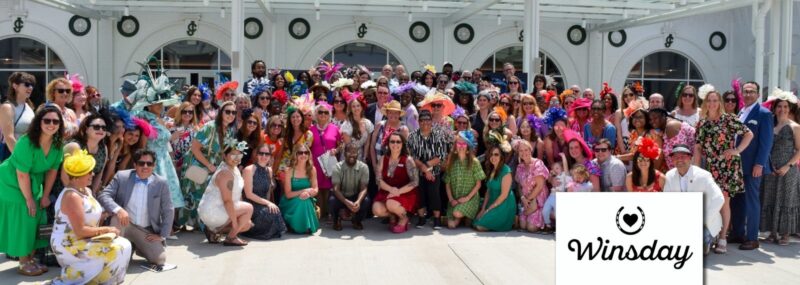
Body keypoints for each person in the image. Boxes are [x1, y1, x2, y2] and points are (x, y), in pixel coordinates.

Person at [48, 150, 132, 284]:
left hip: (83, 238)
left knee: (125, 244)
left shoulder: (86, 190)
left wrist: (107, 214)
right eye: (89, 172)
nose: (92, 174)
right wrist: (107, 229)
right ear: (76, 177)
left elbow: (89, 215)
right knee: (119, 248)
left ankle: (103, 281)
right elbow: (80, 231)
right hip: (69, 243)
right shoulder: (72, 196)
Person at [0, 105, 64, 276]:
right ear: (39, 122)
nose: (51, 124)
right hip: (11, 181)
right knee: (25, 214)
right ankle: (23, 262)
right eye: (47, 120)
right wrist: (29, 199)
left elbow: (52, 171)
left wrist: (45, 195)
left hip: (32, 181)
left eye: (56, 121)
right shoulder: (27, 142)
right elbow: (22, 174)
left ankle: (30, 258)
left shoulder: (58, 144)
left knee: (38, 216)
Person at [693, 87, 753, 253]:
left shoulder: (728, 119)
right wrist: (696, 170)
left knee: (724, 202)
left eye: (715, 100)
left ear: (719, 102)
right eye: (709, 100)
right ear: (705, 103)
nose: (712, 103)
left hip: (728, 166)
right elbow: (697, 148)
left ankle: (723, 238)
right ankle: (712, 235)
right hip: (711, 167)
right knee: (712, 201)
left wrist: (737, 150)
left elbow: (749, 134)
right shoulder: (702, 123)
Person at [98, 149, 174, 268]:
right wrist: (119, 210)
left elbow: (168, 209)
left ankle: (137, 247)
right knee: (116, 218)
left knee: (160, 259)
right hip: (125, 224)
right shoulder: (122, 176)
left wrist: (162, 235)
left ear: (154, 166)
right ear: (135, 165)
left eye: (149, 163)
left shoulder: (161, 183)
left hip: (146, 230)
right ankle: (114, 259)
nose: (145, 166)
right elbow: (104, 195)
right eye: (141, 163)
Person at [731, 81, 774, 250]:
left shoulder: (764, 113)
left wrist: (759, 164)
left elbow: (766, 142)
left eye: (752, 91)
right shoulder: (741, 111)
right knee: (738, 199)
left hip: (753, 166)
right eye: (746, 91)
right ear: (742, 93)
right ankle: (738, 233)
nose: (748, 94)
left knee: (751, 201)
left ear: (758, 94)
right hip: (737, 164)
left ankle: (752, 238)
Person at [182, 101, 238, 227]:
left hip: (214, 166)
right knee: (197, 194)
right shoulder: (210, 127)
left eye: (233, 112)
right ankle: (195, 224)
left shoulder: (229, 131)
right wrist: (208, 165)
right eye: (228, 112)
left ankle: (204, 224)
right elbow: (194, 148)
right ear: (221, 113)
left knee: (209, 194)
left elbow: (225, 151)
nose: (231, 115)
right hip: (198, 164)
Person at [663, 144, 725, 255]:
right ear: (672, 160)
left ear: (691, 158)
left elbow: (719, 198)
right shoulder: (669, 175)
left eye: (683, 156)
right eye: (676, 157)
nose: (679, 159)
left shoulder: (704, 175)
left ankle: (710, 239)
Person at [761, 94, 800, 246]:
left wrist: (787, 166)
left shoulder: (795, 127)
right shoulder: (770, 125)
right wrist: (768, 165)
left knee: (787, 200)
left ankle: (785, 234)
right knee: (770, 198)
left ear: (789, 109)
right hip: (771, 168)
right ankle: (772, 232)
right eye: (779, 106)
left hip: (788, 169)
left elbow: (799, 150)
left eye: (785, 106)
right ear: (774, 108)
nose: (782, 109)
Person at [198, 141, 253, 246]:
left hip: (220, 208)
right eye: (233, 155)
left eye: (239, 155)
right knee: (249, 208)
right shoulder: (225, 174)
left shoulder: (233, 168)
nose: (236, 158)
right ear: (224, 155)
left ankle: (214, 231)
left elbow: (236, 195)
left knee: (247, 224)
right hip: (213, 211)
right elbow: (227, 201)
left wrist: (239, 218)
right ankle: (231, 238)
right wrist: (235, 223)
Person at [407, 110, 451, 230]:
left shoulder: (439, 135)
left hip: (434, 171)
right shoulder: (412, 136)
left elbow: (441, 155)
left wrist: (426, 167)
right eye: (422, 120)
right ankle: (421, 218)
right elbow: (411, 155)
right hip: (417, 171)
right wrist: (424, 169)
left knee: (434, 194)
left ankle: (437, 219)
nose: (425, 122)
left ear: (431, 121)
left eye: (427, 119)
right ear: (418, 121)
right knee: (420, 194)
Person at [373, 132, 419, 233]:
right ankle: (393, 215)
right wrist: (391, 189)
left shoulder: (408, 160)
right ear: (388, 143)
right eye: (392, 141)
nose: (395, 144)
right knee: (376, 209)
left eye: (398, 142)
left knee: (391, 203)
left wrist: (398, 192)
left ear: (402, 144)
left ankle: (404, 218)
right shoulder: (383, 159)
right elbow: (378, 180)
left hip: (405, 192)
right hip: (387, 191)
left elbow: (415, 181)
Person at [241, 144, 287, 240]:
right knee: (268, 214)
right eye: (261, 153)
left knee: (275, 211)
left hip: (262, 202)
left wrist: (269, 204)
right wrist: (268, 203)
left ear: (270, 156)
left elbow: (268, 192)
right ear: (256, 155)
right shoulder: (249, 170)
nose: (264, 156)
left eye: (267, 154)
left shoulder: (269, 170)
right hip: (250, 204)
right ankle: (248, 230)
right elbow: (248, 194)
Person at [444, 131, 485, 229]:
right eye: (459, 143)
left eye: (464, 144)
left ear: (468, 147)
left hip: (470, 199)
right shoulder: (451, 162)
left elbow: (478, 184)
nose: (461, 146)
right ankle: (464, 217)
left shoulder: (474, 162)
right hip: (455, 200)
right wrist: (451, 199)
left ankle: (467, 214)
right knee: (451, 225)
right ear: (455, 145)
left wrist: (467, 198)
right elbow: (447, 183)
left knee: (456, 213)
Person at [310, 103, 341, 222]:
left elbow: (341, 145)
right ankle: (320, 212)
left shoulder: (335, 128)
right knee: (317, 188)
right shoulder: (310, 130)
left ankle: (329, 212)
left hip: (329, 163)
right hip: (315, 164)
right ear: (316, 114)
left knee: (329, 188)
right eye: (320, 112)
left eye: (326, 112)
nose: (323, 114)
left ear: (329, 115)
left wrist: (336, 150)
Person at [280, 144, 320, 234]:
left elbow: (315, 189)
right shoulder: (289, 170)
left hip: (307, 198)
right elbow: (288, 194)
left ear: (309, 154)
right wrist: (304, 191)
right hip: (290, 201)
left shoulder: (312, 169)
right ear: (296, 155)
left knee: (305, 200)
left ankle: (299, 226)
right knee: (303, 200)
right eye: (300, 153)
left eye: (306, 152)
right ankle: (304, 226)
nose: (303, 155)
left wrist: (308, 194)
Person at [474, 145, 516, 232]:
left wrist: (489, 209)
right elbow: (488, 191)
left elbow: (504, 195)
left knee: (480, 226)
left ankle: (512, 220)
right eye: (491, 154)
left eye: (496, 154)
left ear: (501, 156)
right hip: (492, 201)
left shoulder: (506, 171)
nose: (493, 157)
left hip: (504, 204)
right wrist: (483, 209)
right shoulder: (491, 169)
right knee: (476, 222)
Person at [330, 144, 371, 231]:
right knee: (332, 200)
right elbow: (336, 189)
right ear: (344, 153)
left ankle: (357, 220)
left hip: (356, 195)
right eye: (349, 152)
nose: (352, 155)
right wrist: (346, 202)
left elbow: (364, 188)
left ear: (358, 154)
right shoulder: (337, 167)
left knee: (366, 200)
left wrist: (358, 202)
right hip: (341, 196)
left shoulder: (364, 167)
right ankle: (336, 220)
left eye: (354, 152)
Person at [515, 139, 550, 232]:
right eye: (521, 150)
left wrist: (528, 199)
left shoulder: (538, 163)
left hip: (537, 200)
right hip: (526, 201)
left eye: (526, 150)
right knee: (523, 226)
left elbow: (540, 186)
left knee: (531, 228)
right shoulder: (520, 167)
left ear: (530, 150)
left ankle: (545, 222)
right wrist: (523, 198)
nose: (524, 152)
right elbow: (519, 185)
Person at [1, 72, 36, 162]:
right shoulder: (7, 107)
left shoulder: (29, 107)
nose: (30, 87)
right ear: (15, 86)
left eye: (32, 85)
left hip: (28, 152)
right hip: (12, 155)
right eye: (27, 84)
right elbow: (9, 137)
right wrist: (22, 159)